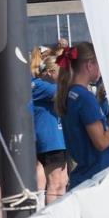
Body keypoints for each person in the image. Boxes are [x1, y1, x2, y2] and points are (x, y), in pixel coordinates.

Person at [55, 43, 109, 190]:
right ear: (90, 65)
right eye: (100, 65)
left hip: (85, 176)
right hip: (95, 179)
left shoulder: (71, 94)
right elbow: (101, 141)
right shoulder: (84, 97)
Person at [30, 48, 68, 204]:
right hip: (50, 140)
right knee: (54, 182)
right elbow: (68, 95)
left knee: (63, 181)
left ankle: (60, 214)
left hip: (58, 139)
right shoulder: (41, 86)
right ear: (51, 72)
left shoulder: (49, 86)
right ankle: (51, 216)